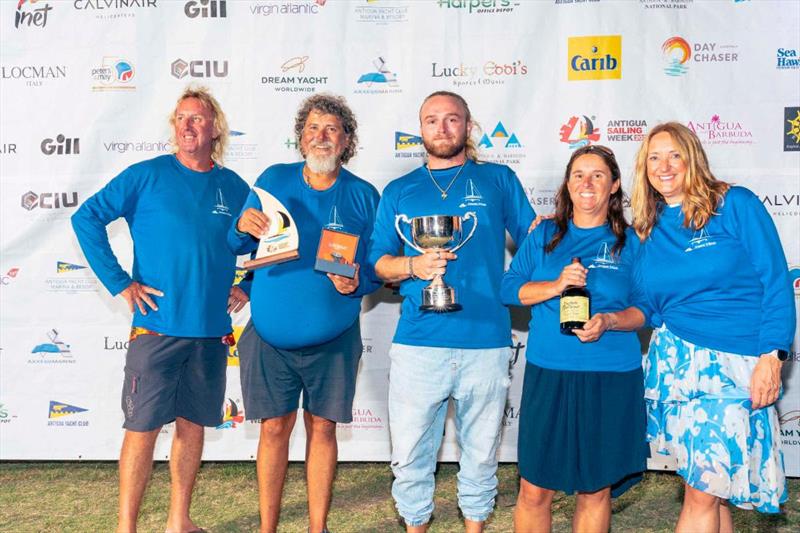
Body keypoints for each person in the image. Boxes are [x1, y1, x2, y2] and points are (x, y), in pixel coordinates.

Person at [71, 86, 250, 533]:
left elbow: (271, 242)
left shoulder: (234, 186)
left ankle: (178, 521)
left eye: (197, 118)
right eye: (180, 118)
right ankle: (126, 528)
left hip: (211, 332)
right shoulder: (146, 175)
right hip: (156, 330)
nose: (187, 125)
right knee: (142, 428)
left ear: (215, 130)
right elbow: (86, 217)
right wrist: (120, 283)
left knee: (192, 427)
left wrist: (249, 284)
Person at [368, 91, 534, 532]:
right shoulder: (400, 190)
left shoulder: (498, 179)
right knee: (410, 456)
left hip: (486, 341)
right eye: (431, 121)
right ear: (419, 130)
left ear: (468, 125)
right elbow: (378, 262)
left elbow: (535, 244)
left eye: (452, 120)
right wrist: (413, 265)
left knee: (481, 454)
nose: (442, 129)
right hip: (419, 344)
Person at [631, 122, 795, 532]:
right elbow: (649, 308)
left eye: (674, 156)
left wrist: (772, 357)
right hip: (676, 369)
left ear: (693, 159)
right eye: (654, 157)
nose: (663, 166)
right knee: (708, 487)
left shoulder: (734, 205)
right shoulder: (647, 229)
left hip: (734, 366)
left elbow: (775, 282)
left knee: (702, 492)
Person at [228, 94, 380, 533]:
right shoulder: (272, 180)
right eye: (313, 128)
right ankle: (267, 528)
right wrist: (240, 227)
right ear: (300, 138)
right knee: (273, 430)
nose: (321, 136)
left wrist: (359, 282)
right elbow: (234, 246)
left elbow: (377, 270)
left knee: (324, 431)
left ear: (347, 140)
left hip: (334, 340)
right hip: (270, 337)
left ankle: (318, 528)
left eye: (332, 129)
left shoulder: (364, 195)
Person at [501, 145, 649, 533]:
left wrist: (610, 320)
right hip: (550, 371)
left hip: (612, 375)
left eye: (598, 175)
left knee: (595, 490)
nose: (587, 183)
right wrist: (555, 285)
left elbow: (646, 310)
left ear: (614, 185)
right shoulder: (545, 234)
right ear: (567, 184)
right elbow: (508, 289)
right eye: (578, 175)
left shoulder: (631, 242)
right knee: (534, 489)